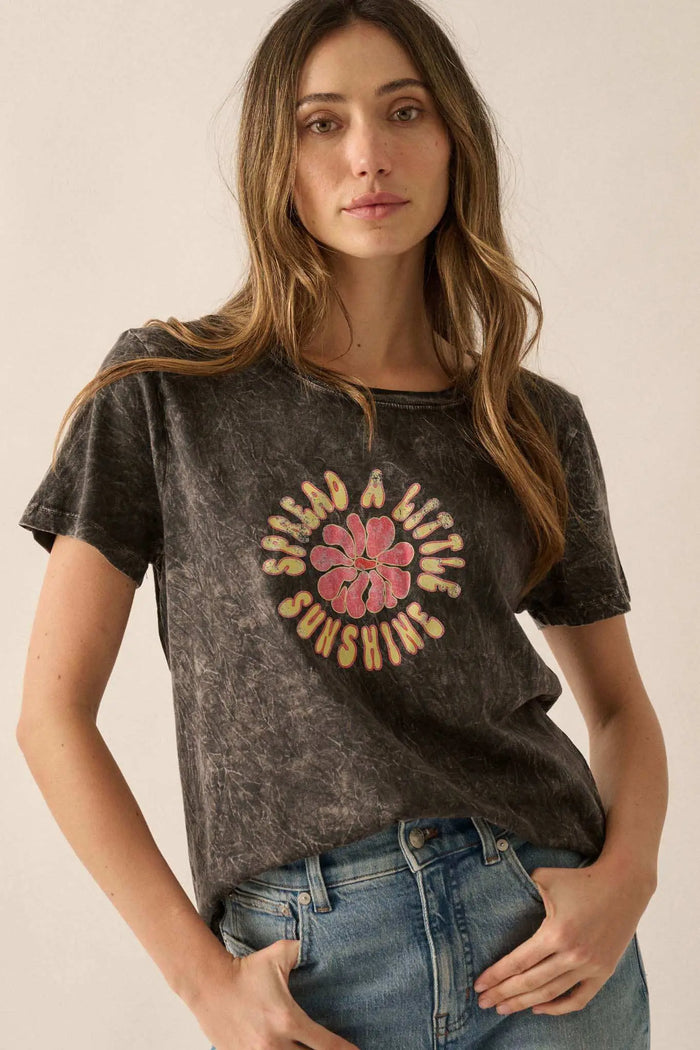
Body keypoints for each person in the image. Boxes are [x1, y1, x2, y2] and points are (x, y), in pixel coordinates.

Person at [16, 2, 667, 1048]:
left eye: (404, 111)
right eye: (322, 122)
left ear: (455, 138)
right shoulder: (166, 392)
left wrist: (627, 879)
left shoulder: (530, 422)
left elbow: (622, 710)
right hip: (314, 966)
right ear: (275, 158)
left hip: (541, 939)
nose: (368, 154)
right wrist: (204, 984)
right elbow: (52, 718)